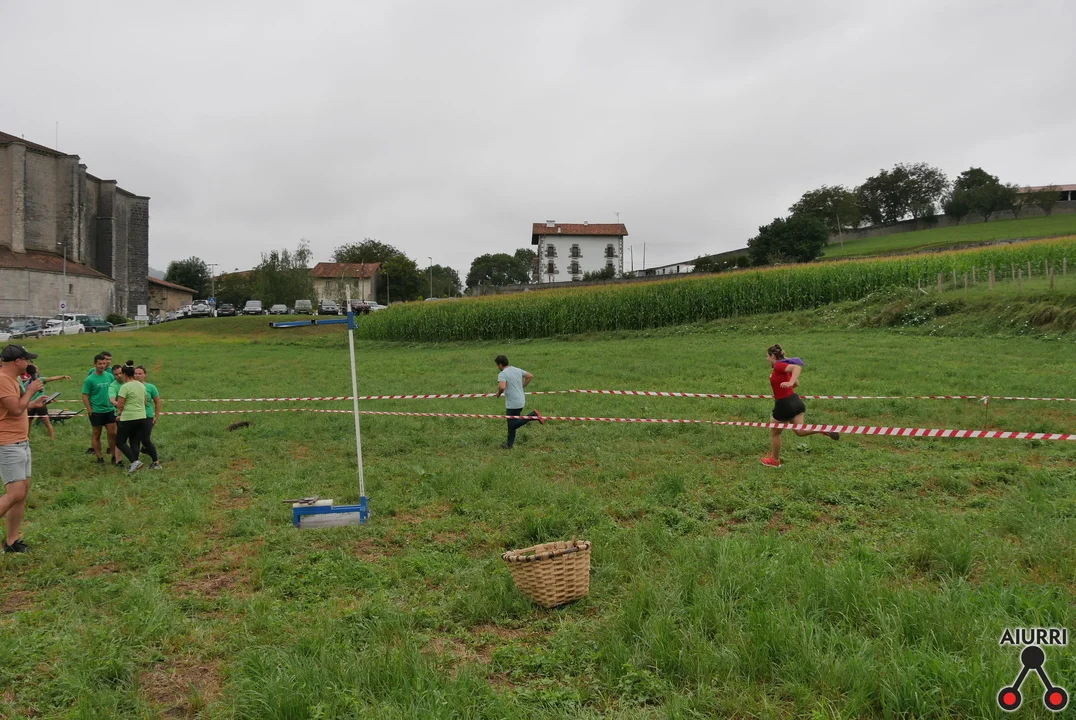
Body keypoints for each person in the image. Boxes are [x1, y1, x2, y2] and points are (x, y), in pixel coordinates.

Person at [761, 344, 838, 468]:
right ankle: (822, 429)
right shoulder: (783, 367)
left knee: (775, 433)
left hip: (784, 404)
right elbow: (797, 384)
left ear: (773, 357)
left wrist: (789, 382)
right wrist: (787, 385)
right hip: (795, 400)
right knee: (800, 431)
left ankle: (774, 461)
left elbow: (797, 368)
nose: (767, 359)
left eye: (768, 356)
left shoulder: (778, 365)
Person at [0, 345, 46, 553]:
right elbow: (15, 409)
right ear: (17, 361)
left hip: (21, 441)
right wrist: (31, 390)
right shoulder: (2, 380)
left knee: (22, 493)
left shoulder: (13, 380)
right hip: (7, 443)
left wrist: (33, 404)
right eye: (27, 359)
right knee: (16, 493)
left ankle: (12, 541)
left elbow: (19, 405)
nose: (29, 363)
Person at [494, 355, 544, 449]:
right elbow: (530, 376)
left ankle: (533, 415)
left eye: (497, 365)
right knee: (511, 423)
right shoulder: (516, 369)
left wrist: (498, 394)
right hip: (521, 400)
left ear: (500, 364)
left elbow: (502, 387)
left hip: (513, 403)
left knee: (512, 425)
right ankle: (509, 445)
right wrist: (522, 386)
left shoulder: (503, 374)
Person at [82, 354, 118, 465]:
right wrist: (90, 410)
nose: (102, 366)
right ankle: (99, 457)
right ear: (95, 364)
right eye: (100, 364)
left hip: (109, 409)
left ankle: (114, 456)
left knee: (112, 433)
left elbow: (115, 389)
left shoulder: (110, 376)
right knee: (97, 434)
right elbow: (85, 395)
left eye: (104, 363)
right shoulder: (90, 379)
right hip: (96, 411)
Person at [20, 364, 71, 441]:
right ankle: (27, 438)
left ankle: (52, 439)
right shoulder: (25, 383)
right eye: (34, 370)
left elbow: (52, 378)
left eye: (37, 370)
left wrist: (63, 376)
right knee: (28, 424)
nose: (36, 372)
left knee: (47, 423)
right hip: (30, 405)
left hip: (41, 405)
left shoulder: (41, 380)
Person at [114, 366, 148, 473]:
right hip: (141, 416)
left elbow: (120, 405)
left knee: (120, 442)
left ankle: (134, 461)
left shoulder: (125, 387)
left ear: (124, 374)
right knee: (134, 440)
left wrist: (116, 406)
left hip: (128, 418)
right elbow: (145, 401)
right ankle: (135, 464)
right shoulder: (141, 385)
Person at [133, 365, 162, 469]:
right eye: (136, 373)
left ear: (145, 375)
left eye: (140, 373)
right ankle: (135, 462)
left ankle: (156, 462)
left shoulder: (151, 387)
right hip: (133, 416)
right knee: (134, 439)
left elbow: (157, 402)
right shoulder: (129, 386)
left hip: (147, 416)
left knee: (145, 439)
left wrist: (156, 416)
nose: (137, 375)